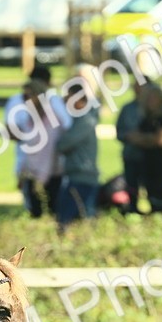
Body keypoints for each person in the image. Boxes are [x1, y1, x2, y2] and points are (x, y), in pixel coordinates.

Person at [54, 81, 99, 232]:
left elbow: (63, 144)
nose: (66, 105)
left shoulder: (85, 121)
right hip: (77, 175)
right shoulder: (80, 120)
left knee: (68, 220)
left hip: (83, 176)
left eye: (68, 100)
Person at [16, 79, 61, 219]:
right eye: (23, 97)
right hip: (32, 175)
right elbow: (28, 148)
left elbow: (49, 152)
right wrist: (22, 173)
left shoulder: (51, 119)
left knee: (49, 215)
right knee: (34, 215)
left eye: (28, 96)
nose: (25, 101)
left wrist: (40, 180)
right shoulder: (30, 119)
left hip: (49, 177)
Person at [130, 84, 162, 215]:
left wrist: (144, 139)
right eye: (148, 99)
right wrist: (151, 139)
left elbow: (161, 140)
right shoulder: (146, 120)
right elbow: (134, 138)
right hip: (148, 164)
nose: (151, 102)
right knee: (151, 196)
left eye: (154, 99)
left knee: (161, 198)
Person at [115, 82, 148, 214]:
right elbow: (119, 131)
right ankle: (132, 208)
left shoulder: (153, 108)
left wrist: (144, 139)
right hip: (130, 154)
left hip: (149, 156)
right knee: (131, 183)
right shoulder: (127, 108)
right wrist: (130, 137)